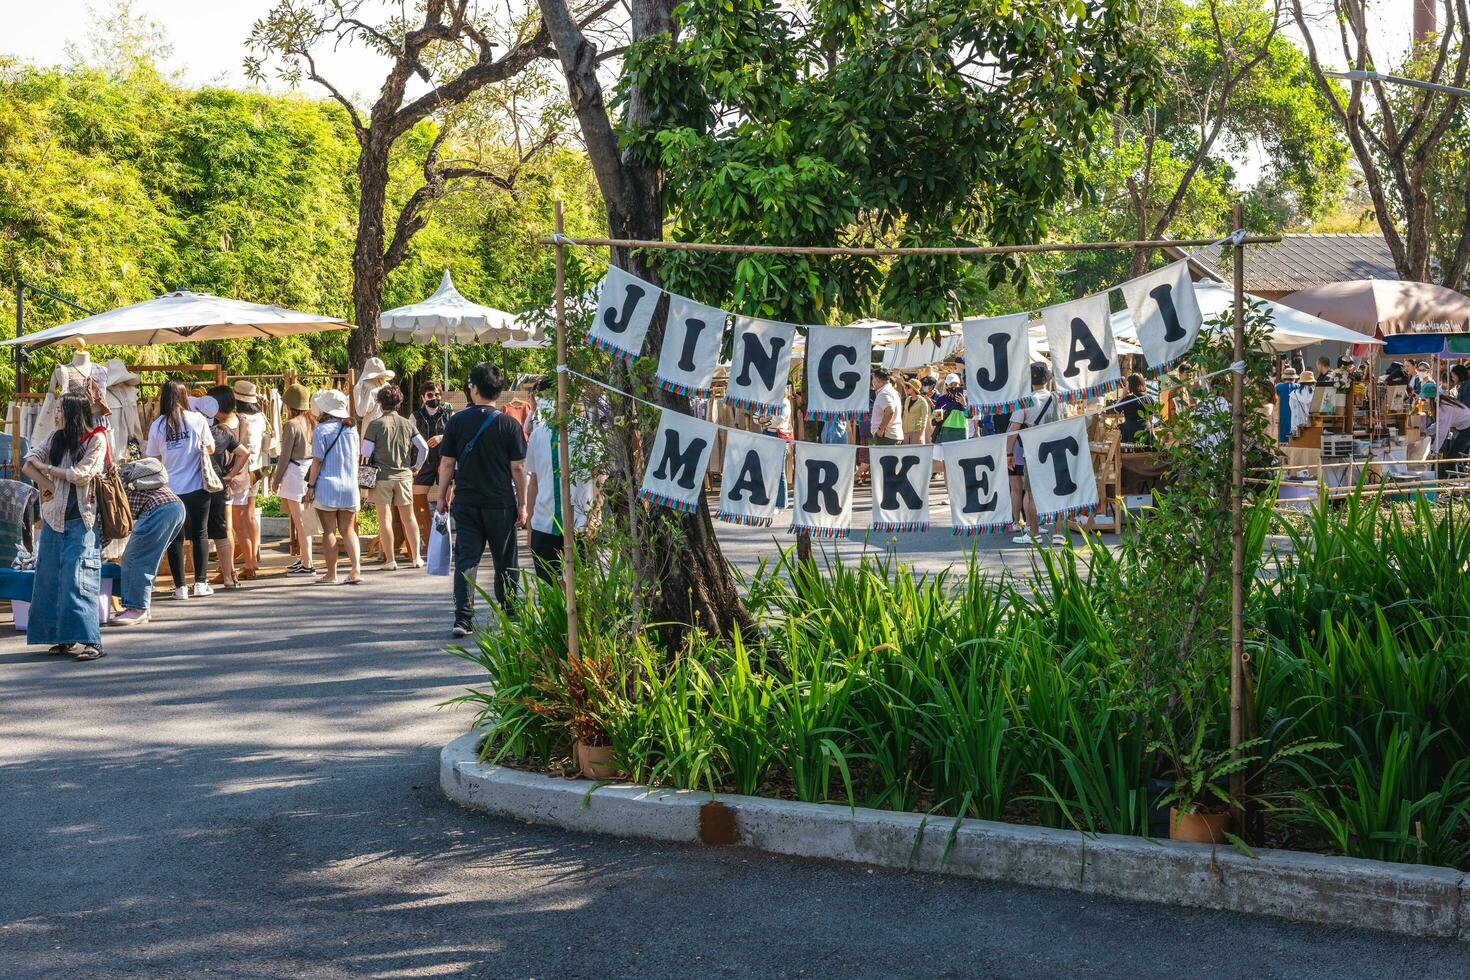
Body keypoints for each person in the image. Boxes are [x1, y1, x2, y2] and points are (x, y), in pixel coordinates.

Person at [436, 362, 528, 638]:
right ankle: (510, 612)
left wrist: (442, 497)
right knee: (505, 559)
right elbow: (518, 469)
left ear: (473, 388)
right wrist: (522, 504)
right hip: (501, 502)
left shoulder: (457, 421)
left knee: (466, 558)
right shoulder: (509, 424)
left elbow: (447, 463)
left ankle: (463, 618)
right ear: (498, 391)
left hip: (466, 501)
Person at [22, 395, 109, 660]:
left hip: (82, 521)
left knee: (78, 580)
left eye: (60, 410)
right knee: (49, 580)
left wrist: (48, 470)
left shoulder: (97, 439)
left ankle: (91, 641)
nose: (55, 415)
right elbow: (28, 463)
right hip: (52, 519)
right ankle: (63, 638)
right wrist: (49, 486)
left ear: (73, 413)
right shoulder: (54, 437)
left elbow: (82, 474)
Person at [147, 380, 216, 600]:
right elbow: (211, 447)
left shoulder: (158, 425)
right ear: (185, 396)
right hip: (197, 485)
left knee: (175, 537)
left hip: (170, 490)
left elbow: (153, 458)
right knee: (200, 533)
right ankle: (201, 583)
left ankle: (180, 588)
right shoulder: (198, 420)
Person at [524, 408, 600, 583]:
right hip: (544, 524)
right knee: (549, 592)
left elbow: (599, 475)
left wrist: (594, 514)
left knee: (582, 590)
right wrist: (530, 526)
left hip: (580, 523)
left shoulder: (587, 431)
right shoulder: (538, 433)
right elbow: (534, 481)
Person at [109, 459, 185, 626]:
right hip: (175, 506)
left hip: (159, 509)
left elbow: (113, 525)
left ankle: (137, 609)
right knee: (147, 560)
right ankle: (141, 606)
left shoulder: (110, 489)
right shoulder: (121, 478)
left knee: (135, 558)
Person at [363, 385, 428, 571]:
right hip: (404, 476)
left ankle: (390, 560)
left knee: (385, 519)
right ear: (399, 404)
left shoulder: (375, 425)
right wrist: (416, 467)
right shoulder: (407, 423)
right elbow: (423, 447)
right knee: (409, 518)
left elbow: (365, 451)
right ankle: (416, 558)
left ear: (380, 404)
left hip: (381, 477)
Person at [305, 389, 362, 586]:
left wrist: (310, 486)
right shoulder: (351, 430)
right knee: (348, 530)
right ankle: (356, 570)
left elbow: (317, 462)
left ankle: (331, 574)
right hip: (349, 485)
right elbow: (356, 457)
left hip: (327, 485)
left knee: (329, 531)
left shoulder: (320, 430)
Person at [1007, 363, 1064, 547]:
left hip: (1033, 452)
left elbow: (1013, 430)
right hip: (1057, 449)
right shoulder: (1057, 398)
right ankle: (1058, 534)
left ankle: (1034, 533)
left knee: (1032, 495)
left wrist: (1009, 453)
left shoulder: (1024, 401)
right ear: (1048, 379)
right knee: (1057, 493)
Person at [201, 389, 251, 589]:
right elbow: (245, 452)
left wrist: (228, 475)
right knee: (241, 524)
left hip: (223, 480)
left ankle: (228, 571)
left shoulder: (219, 430)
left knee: (226, 528)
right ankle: (243, 567)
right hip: (240, 478)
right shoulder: (242, 419)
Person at [270, 384, 318, 576]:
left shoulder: (291, 425)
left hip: (295, 473)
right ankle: (307, 559)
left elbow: (284, 456)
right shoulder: (314, 422)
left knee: (300, 521)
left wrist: (276, 479)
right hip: (311, 472)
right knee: (308, 519)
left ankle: (307, 564)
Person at [225, 380, 267, 579]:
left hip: (242, 470)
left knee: (237, 520)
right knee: (250, 515)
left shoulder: (239, 418)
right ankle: (253, 557)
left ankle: (249, 562)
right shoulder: (260, 416)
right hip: (257, 467)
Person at [412, 381, 450, 553]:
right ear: (423, 397)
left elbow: (455, 434)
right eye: (430, 395)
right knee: (418, 501)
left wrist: (441, 437)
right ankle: (426, 539)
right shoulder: (415, 416)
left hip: (444, 462)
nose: (434, 398)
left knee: (445, 504)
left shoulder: (449, 414)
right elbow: (408, 439)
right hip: (423, 464)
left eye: (437, 394)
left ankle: (444, 541)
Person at [753, 384, 794, 508]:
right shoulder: (768, 401)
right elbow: (755, 417)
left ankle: (782, 503)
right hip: (767, 434)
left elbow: (777, 421)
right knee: (767, 469)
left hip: (778, 436)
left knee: (779, 470)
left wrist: (763, 419)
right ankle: (771, 500)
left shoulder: (785, 402)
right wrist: (765, 419)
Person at [1112, 373, 1154, 445]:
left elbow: (1115, 409)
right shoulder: (1149, 398)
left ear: (1130, 385)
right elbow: (1151, 418)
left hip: (1131, 432)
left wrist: (1123, 395)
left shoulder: (1129, 399)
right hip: (1146, 431)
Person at [870, 368, 904, 445]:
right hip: (890, 435)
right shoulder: (891, 391)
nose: (872, 381)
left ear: (877, 379)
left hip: (886, 437)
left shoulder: (884, 392)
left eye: (873, 378)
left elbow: (890, 411)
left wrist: (880, 430)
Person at [932, 373, 968, 444]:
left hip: (961, 431)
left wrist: (964, 404)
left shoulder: (965, 399)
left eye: (956, 384)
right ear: (946, 385)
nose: (954, 387)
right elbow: (936, 420)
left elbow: (970, 416)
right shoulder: (941, 399)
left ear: (959, 385)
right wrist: (937, 418)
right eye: (951, 384)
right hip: (945, 431)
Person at [1274, 366, 1299, 444]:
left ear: (1284, 377)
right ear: (1294, 377)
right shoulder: (1298, 387)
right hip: (1295, 415)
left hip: (1281, 414)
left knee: (1282, 436)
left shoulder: (1278, 387)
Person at [902, 379, 931, 446]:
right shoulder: (907, 399)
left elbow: (924, 419)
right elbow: (904, 415)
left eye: (908, 387)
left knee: (915, 453)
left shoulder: (922, 401)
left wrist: (921, 435)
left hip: (916, 432)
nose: (906, 388)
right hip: (906, 432)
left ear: (914, 389)